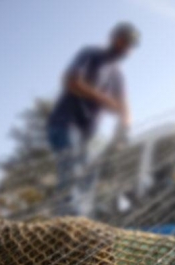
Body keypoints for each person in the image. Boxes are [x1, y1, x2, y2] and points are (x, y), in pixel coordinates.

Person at [47, 22, 139, 216]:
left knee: (89, 174)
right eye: (124, 41)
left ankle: (79, 221)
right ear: (114, 39)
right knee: (72, 171)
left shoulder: (117, 75)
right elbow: (71, 82)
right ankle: (65, 225)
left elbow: (124, 105)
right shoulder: (90, 55)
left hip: (87, 133)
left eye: (130, 46)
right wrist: (105, 100)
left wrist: (125, 125)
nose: (126, 48)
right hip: (65, 123)